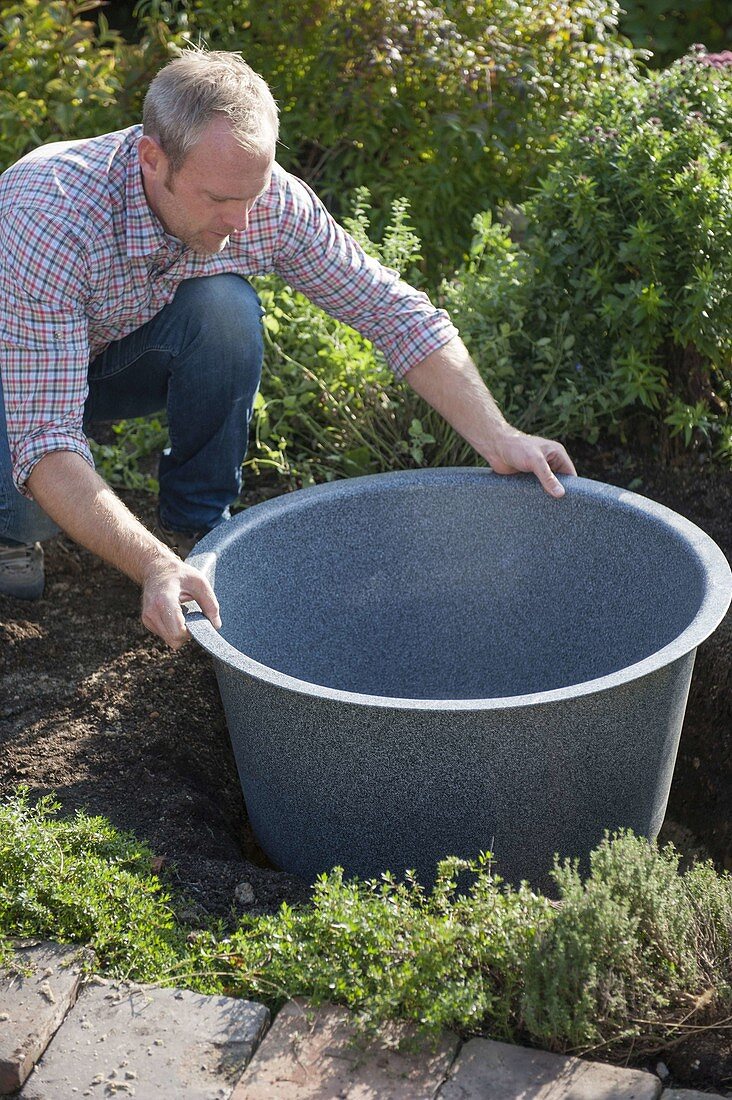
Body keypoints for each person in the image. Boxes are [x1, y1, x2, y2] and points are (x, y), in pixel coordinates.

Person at [0, 49, 576, 649]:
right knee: (27, 508)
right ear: (152, 157)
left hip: (104, 351)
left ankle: (198, 529)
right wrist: (150, 565)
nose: (242, 222)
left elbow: (396, 313)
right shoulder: (53, 216)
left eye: (252, 193)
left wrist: (499, 436)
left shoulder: (259, 200)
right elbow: (45, 436)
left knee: (223, 311)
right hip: (13, 368)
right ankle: (10, 535)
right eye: (221, 199)